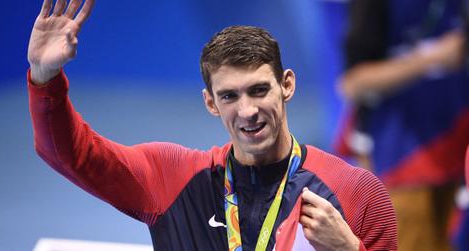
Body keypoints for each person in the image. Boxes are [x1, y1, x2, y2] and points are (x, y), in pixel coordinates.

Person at [27, 0, 397, 250]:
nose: (248, 111)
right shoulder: (171, 177)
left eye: (259, 90)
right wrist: (45, 78)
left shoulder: (356, 192)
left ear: (287, 85)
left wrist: (350, 249)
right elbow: (73, 155)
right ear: (210, 103)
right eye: (230, 96)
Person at [335, 0, 469, 250]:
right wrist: (432, 58)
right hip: (403, 162)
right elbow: (352, 83)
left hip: (459, 152)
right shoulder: (372, 7)